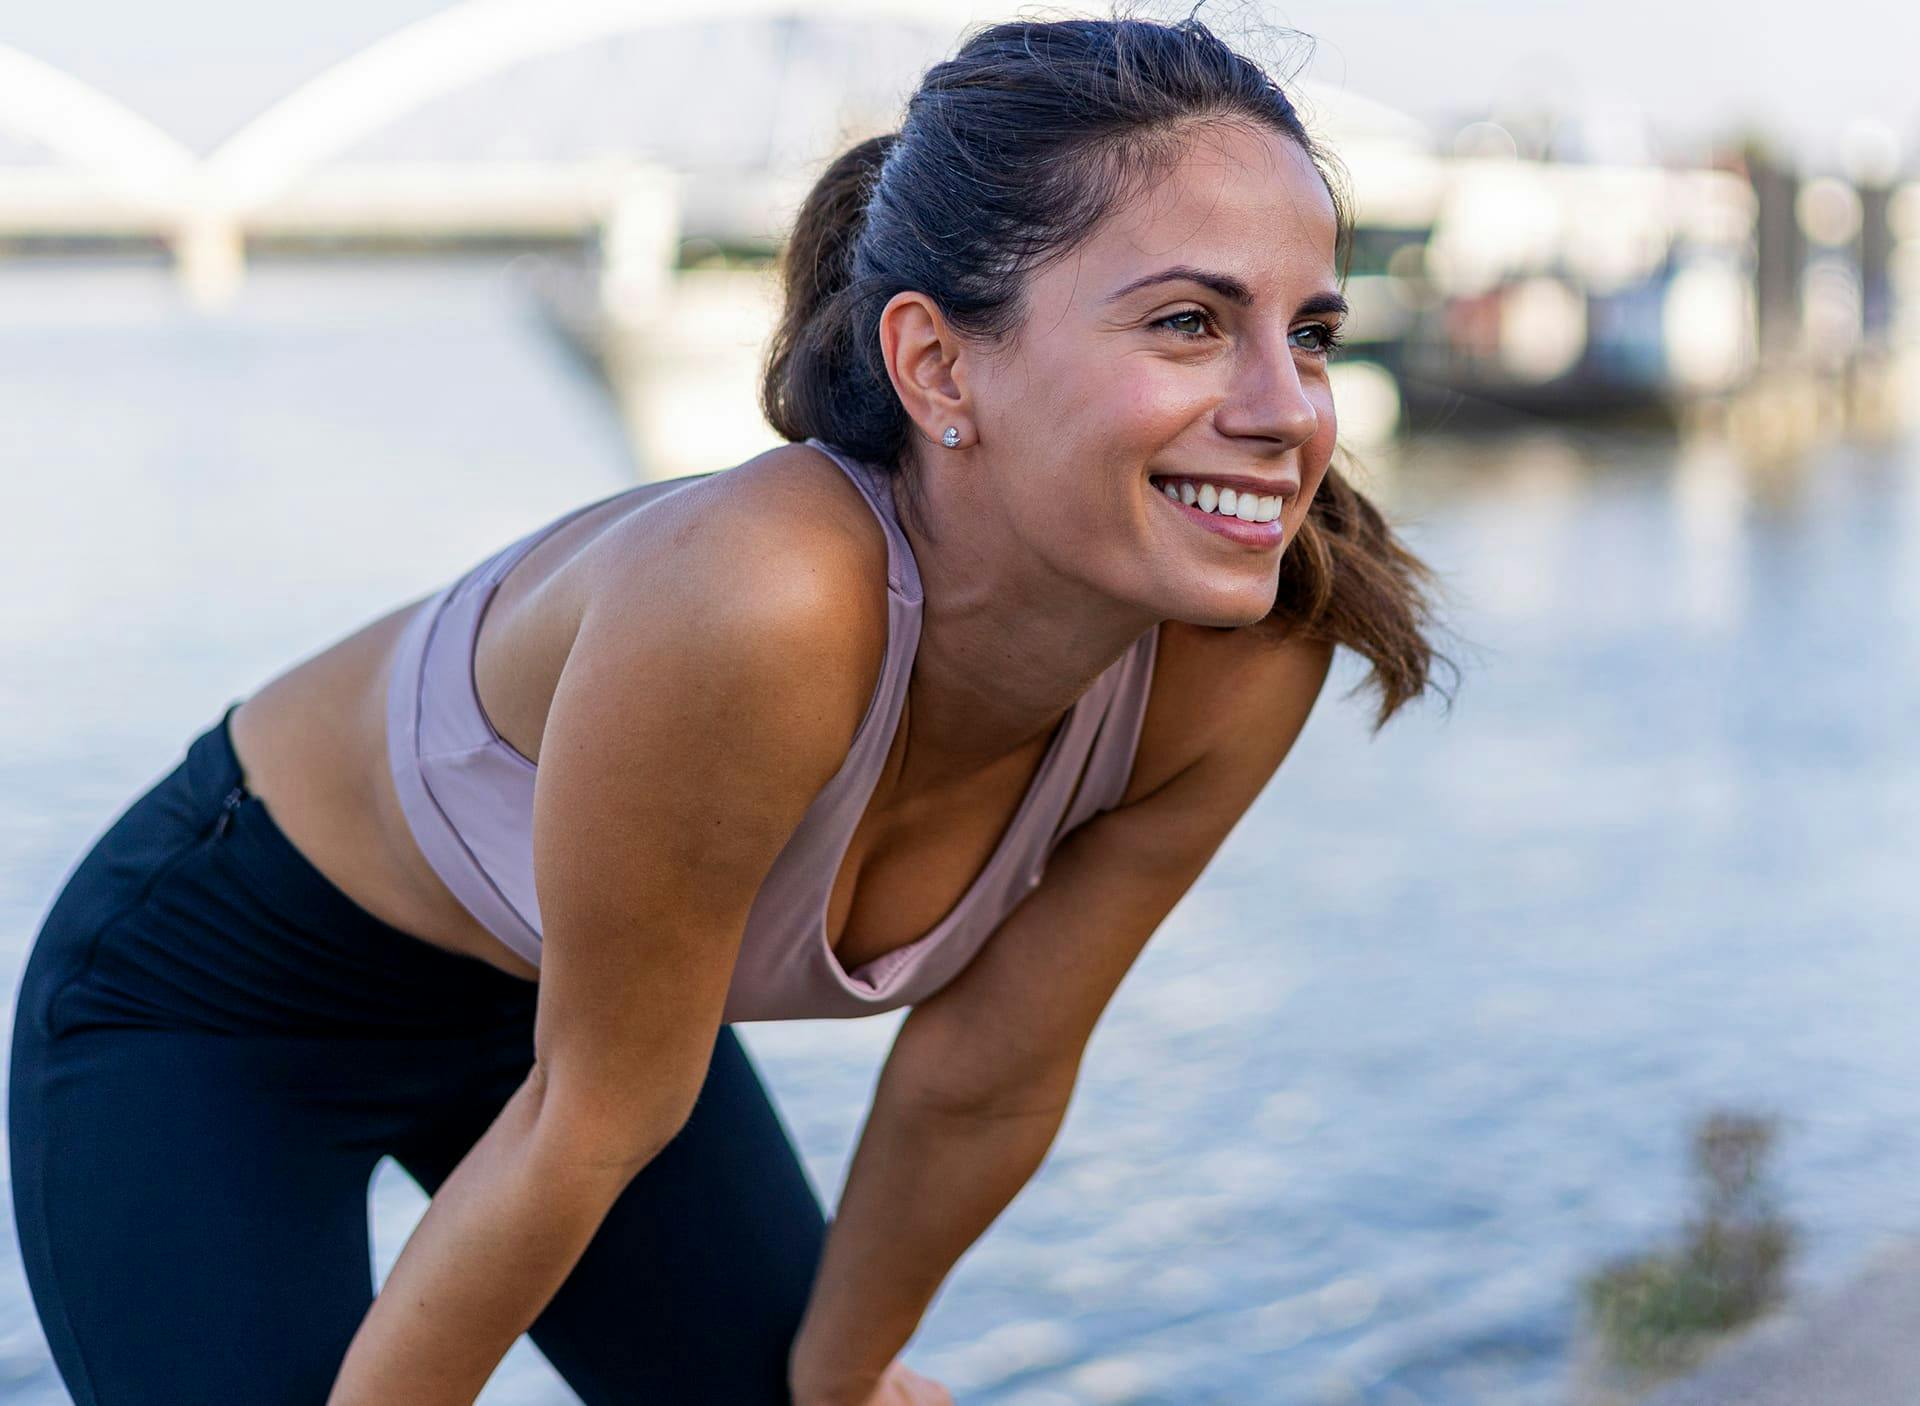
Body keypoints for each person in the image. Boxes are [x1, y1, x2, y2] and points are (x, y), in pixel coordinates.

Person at [8, 12, 1452, 1406]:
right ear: (938, 365)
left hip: (592, 1032)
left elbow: (986, 1075)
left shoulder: (1243, 657)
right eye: (1193, 321)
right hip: (220, 1004)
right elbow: (593, 1115)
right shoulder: (767, 596)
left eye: (1311, 331)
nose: (1288, 408)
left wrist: (836, 1381)